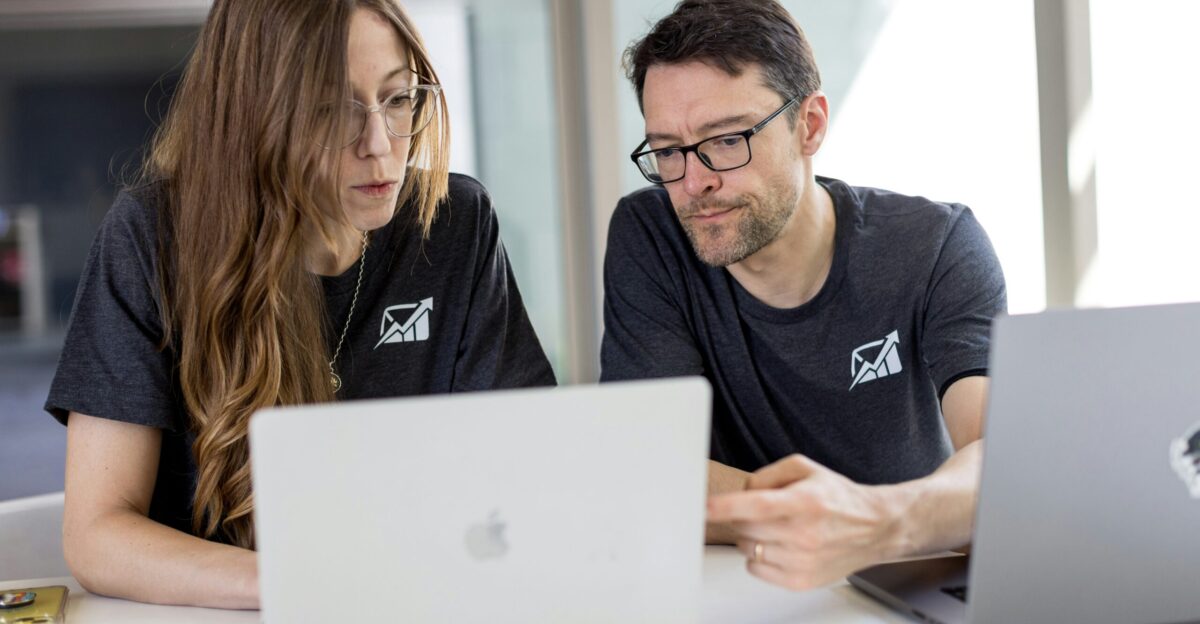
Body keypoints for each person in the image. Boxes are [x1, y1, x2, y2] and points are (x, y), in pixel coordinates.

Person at [43, 0, 554, 609]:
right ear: (254, 115)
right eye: (332, 113)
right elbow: (98, 534)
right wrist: (301, 583)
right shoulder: (150, 236)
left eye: (398, 99)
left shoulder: (455, 222)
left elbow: (523, 467)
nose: (380, 146)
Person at [602, 0, 1005, 591]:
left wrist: (873, 523)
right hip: (736, 589)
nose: (693, 183)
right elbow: (645, 467)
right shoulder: (651, 234)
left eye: (725, 140)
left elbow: (1001, 455)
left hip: (904, 577)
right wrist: (820, 518)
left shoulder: (935, 245)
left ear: (810, 125)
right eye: (667, 150)